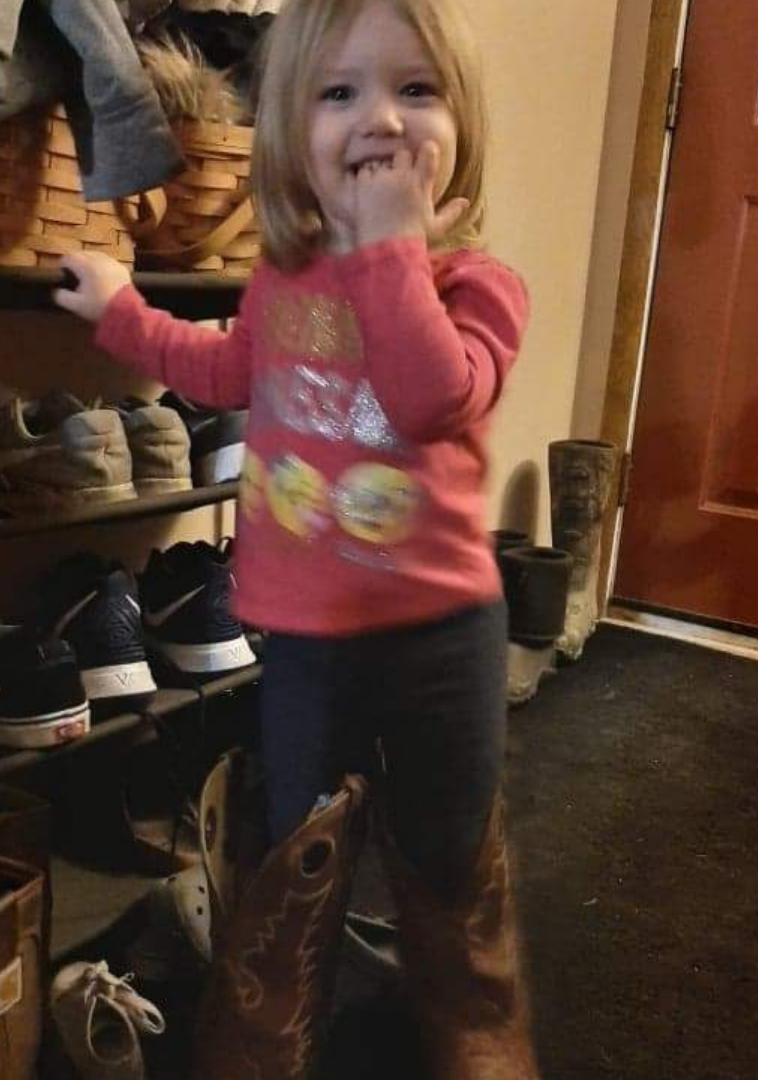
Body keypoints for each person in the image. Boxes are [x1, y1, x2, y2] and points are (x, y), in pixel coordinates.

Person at [55, 0, 541, 1077]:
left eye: (417, 90)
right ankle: (266, 1043)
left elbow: (430, 396)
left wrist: (390, 250)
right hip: (309, 638)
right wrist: (123, 313)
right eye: (341, 92)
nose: (382, 118)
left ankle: (473, 1039)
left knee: (450, 859)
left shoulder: (476, 286)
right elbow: (224, 371)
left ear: (463, 127)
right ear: (289, 135)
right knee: (293, 855)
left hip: (442, 635)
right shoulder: (286, 281)